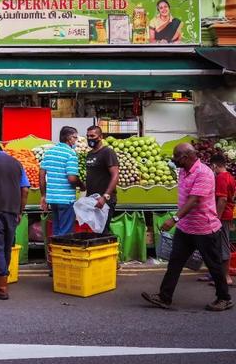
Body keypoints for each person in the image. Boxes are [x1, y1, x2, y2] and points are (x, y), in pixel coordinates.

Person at [141, 143, 233, 311]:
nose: (173, 160)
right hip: (186, 228)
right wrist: (180, 221)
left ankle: (224, 298)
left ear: (184, 157)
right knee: (175, 263)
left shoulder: (203, 173)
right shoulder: (183, 171)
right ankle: (164, 297)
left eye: (176, 157)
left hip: (204, 228)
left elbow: (194, 200)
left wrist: (174, 219)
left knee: (214, 265)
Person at [0, 143, 30, 300]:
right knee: (7, 246)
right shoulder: (17, 163)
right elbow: (25, 189)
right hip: (12, 210)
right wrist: (20, 211)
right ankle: (4, 280)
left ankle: (2, 286)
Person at [40, 126, 83, 237]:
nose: (76, 140)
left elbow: (41, 175)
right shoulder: (70, 154)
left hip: (53, 199)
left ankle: (54, 253)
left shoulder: (49, 153)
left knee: (56, 229)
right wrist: (82, 185)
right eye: (75, 137)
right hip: (66, 199)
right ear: (69, 138)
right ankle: (63, 252)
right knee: (65, 234)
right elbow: (72, 178)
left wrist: (43, 195)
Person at [205, 154, 235, 286]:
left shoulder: (221, 178)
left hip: (222, 216)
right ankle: (218, 275)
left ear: (215, 165)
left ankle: (226, 277)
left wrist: (216, 218)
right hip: (226, 214)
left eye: (212, 167)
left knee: (223, 245)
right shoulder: (230, 176)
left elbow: (222, 199)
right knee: (219, 244)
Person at [85, 126, 119, 233]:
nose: (89, 138)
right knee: (95, 231)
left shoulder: (107, 152)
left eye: (92, 136)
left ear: (100, 137)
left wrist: (105, 197)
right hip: (92, 200)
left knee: (102, 232)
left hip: (104, 200)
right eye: (88, 136)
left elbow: (115, 175)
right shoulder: (89, 154)